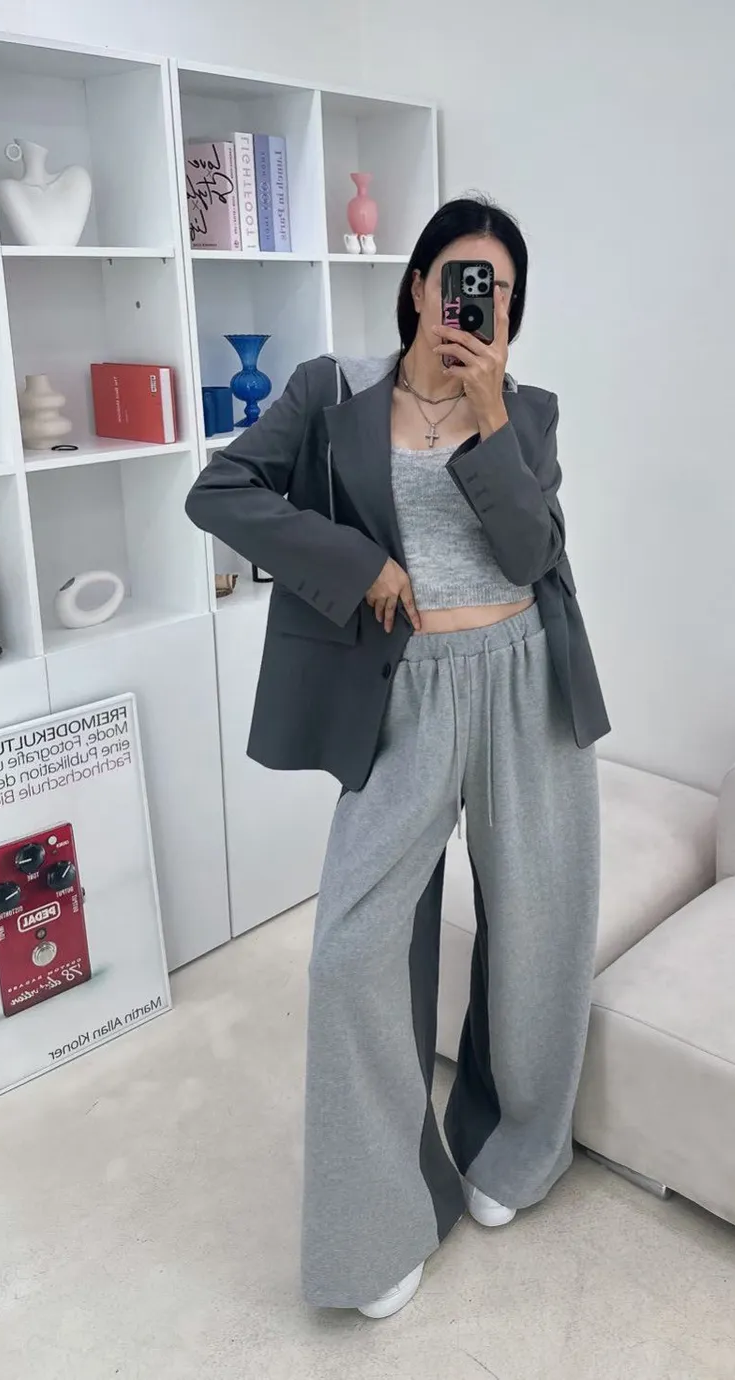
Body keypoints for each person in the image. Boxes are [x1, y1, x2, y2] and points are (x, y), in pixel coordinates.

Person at [184, 196, 610, 1319]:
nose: (476, 301)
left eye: (497, 291)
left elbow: (531, 553)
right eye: (460, 277)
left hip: (525, 681)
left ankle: (517, 1148)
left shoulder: (530, 412)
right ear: (418, 283)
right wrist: (357, 563)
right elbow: (217, 491)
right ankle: (378, 1217)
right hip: (407, 693)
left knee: (541, 930)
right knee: (351, 955)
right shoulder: (332, 393)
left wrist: (490, 420)